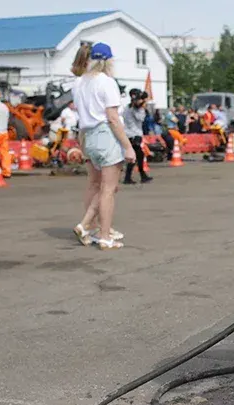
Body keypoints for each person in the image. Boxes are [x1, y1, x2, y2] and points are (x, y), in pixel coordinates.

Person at [70, 42, 136, 250]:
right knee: (109, 188)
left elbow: (81, 115)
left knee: (94, 185)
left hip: (87, 136)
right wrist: (127, 146)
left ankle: (94, 227)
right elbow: (113, 118)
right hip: (105, 135)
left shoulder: (79, 83)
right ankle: (103, 234)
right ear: (108, 61)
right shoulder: (107, 82)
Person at [122, 89, 152, 184]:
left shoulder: (128, 107)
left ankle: (142, 175)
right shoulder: (134, 108)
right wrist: (142, 107)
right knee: (135, 156)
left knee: (139, 155)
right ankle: (128, 178)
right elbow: (141, 118)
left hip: (130, 133)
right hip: (134, 134)